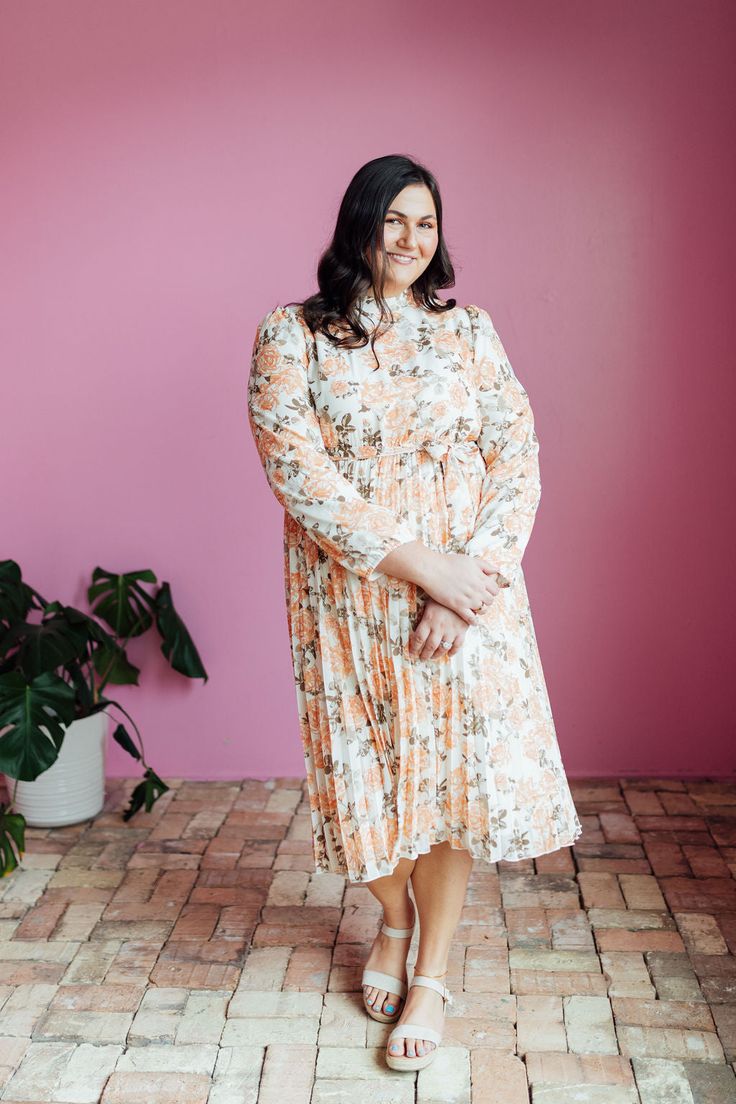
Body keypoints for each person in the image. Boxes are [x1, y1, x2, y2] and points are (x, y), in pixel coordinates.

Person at [247, 153, 582, 1072]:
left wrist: (466, 587)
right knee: (365, 789)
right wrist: (420, 567)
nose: (409, 239)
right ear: (358, 224)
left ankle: (429, 972)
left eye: (425, 224)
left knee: (449, 792)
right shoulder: (293, 335)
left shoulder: (469, 333)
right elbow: (298, 474)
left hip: (465, 606)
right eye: (393, 220)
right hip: (351, 600)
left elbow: (519, 457)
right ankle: (390, 919)